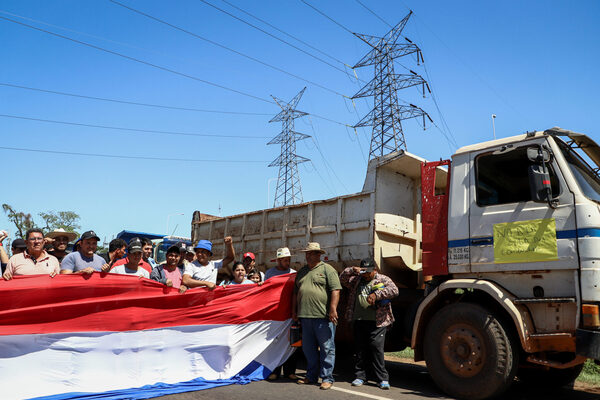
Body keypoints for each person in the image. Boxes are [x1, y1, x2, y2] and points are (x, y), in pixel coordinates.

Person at [340, 259, 399, 390]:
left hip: (378, 321)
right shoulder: (356, 280)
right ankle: (360, 376)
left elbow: (394, 290)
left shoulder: (382, 279)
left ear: (374, 270)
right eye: (364, 272)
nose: (366, 275)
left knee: (376, 348)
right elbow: (342, 278)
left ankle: (382, 379)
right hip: (359, 319)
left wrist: (376, 294)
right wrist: (352, 270)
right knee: (360, 349)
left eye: (368, 272)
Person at [293, 242, 341, 390]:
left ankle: (327, 378)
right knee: (308, 349)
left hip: (323, 317)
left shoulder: (328, 270)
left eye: (311, 253)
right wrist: (294, 311)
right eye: (306, 253)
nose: (307, 256)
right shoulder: (302, 271)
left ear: (318, 255)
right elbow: (295, 293)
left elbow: (336, 290)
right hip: (305, 317)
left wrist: (333, 309)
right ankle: (311, 376)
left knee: (327, 348)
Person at [267, 247, 299, 381]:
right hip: (275, 314)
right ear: (278, 260)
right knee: (274, 343)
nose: (288, 262)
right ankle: (274, 370)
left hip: (290, 313)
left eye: (289, 260)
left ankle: (290, 371)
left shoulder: (293, 273)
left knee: (292, 342)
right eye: (285, 260)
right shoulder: (270, 273)